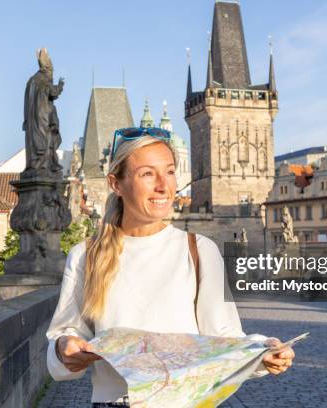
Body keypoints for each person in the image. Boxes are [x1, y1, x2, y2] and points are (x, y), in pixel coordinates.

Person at [46, 127, 295, 407]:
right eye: (147, 174)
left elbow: (224, 337)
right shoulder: (85, 255)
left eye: (170, 171)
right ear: (116, 183)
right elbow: (65, 335)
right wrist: (63, 349)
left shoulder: (200, 250)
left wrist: (262, 351)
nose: (164, 186)